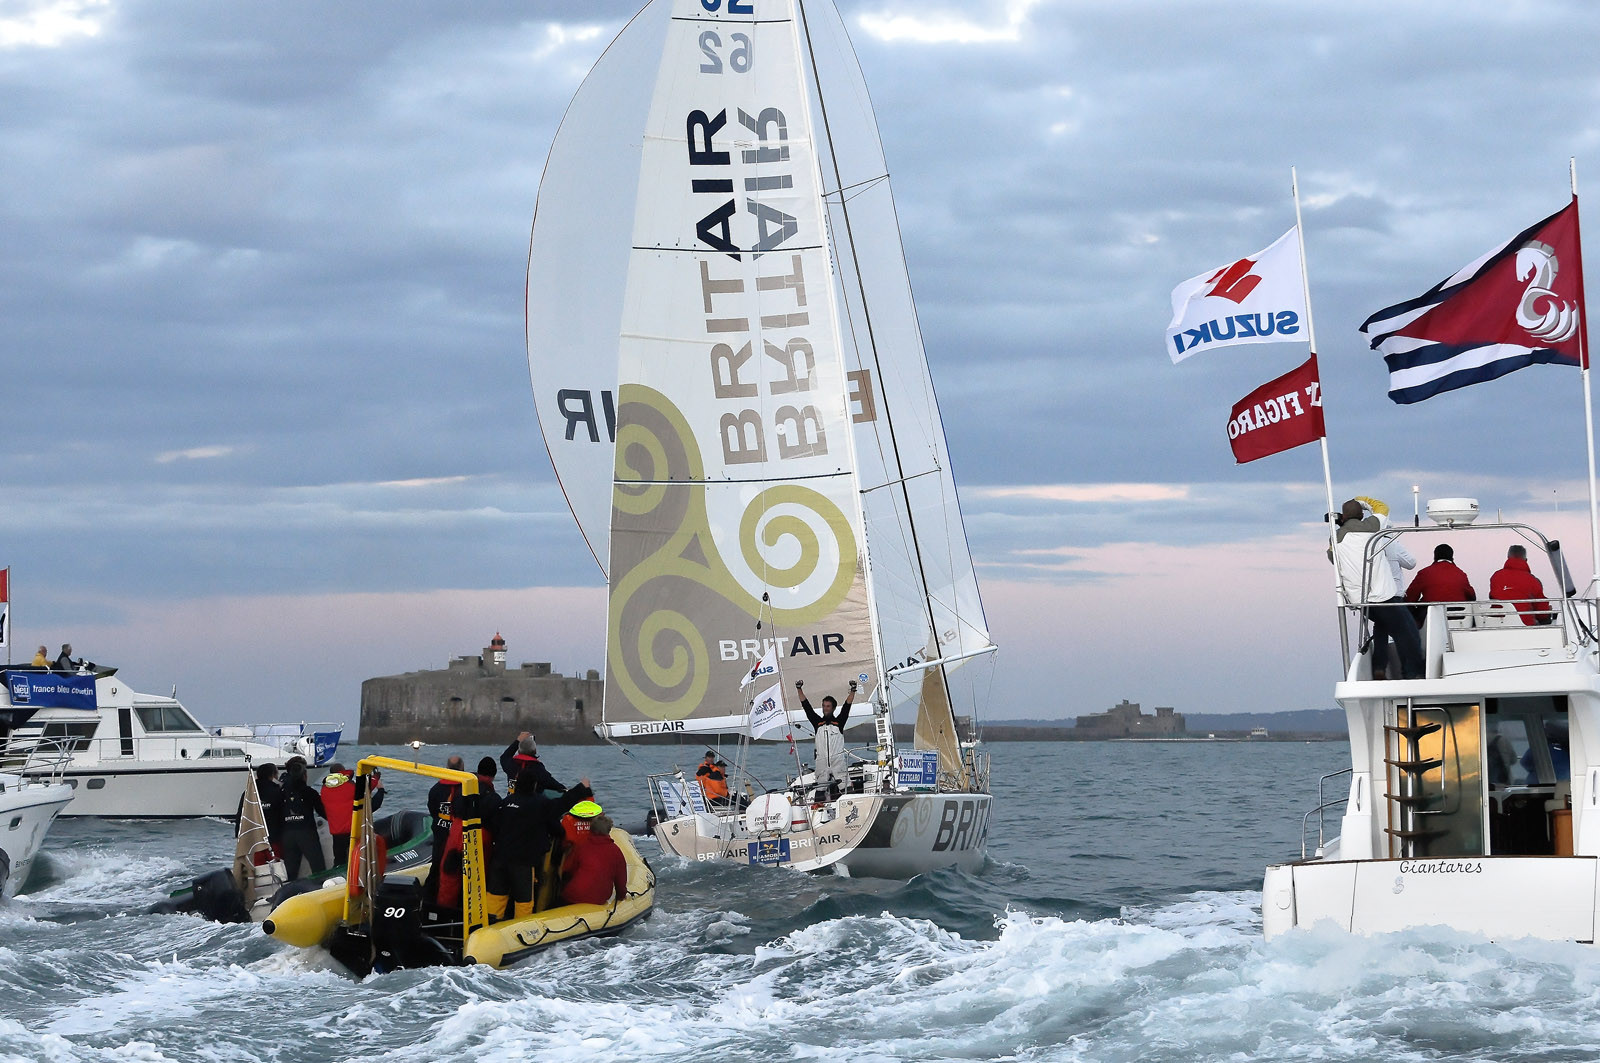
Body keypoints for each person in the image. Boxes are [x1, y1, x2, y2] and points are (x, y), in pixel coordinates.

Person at [1328, 499, 1422, 680]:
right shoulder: (1373, 527)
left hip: (1361, 601)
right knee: (1408, 635)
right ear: (1362, 515)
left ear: (1344, 517)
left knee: (1382, 629)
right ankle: (1413, 675)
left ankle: (1379, 667)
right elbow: (1382, 507)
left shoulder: (1336, 537)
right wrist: (1360, 500)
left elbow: (1332, 557)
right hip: (1384, 596)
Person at [486, 767, 593, 920]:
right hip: (522, 863)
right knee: (524, 901)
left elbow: (494, 825)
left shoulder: (505, 802)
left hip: (499, 859)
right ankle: (521, 931)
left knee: (495, 896)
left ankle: (489, 927)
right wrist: (582, 788)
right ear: (534, 785)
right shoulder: (539, 804)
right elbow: (562, 803)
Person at [797, 677, 856, 798]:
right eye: (824, 706)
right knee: (820, 792)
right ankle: (818, 810)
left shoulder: (839, 722)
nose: (825, 709)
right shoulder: (817, 723)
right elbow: (806, 706)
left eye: (828, 706)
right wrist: (799, 689)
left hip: (837, 762)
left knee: (847, 789)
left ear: (833, 708)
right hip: (821, 762)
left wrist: (853, 690)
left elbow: (847, 707)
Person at [560, 809, 628, 907]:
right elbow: (621, 881)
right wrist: (621, 896)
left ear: (591, 829)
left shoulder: (581, 846)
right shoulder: (616, 851)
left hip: (572, 895)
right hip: (596, 898)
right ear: (608, 830)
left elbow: (570, 869)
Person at [320, 763, 384, 865]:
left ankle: (337, 878)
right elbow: (368, 785)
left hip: (337, 833)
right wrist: (376, 779)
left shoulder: (324, 790)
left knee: (339, 860)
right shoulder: (351, 787)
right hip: (353, 831)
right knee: (358, 859)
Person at [423, 755, 467, 903]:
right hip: (458, 839)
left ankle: (428, 901)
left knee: (436, 867)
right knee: (458, 872)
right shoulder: (466, 788)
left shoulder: (435, 789)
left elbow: (433, 811)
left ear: (447, 768)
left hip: (441, 834)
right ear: (462, 767)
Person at [279, 758, 328, 881]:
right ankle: (320, 892)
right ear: (304, 775)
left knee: (290, 872)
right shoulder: (310, 792)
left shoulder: (281, 792)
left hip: (287, 834)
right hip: (307, 833)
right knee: (318, 869)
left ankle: (290, 895)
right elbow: (323, 812)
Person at [1490, 545, 1554, 625]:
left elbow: (1494, 597)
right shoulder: (1533, 581)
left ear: (1508, 558)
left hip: (1496, 624)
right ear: (1525, 560)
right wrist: (1547, 614)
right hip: (1524, 625)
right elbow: (1542, 612)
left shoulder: (1496, 577)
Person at [236, 761, 286, 858]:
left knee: (259, 865)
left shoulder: (249, 792)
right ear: (272, 775)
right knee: (277, 863)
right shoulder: (277, 791)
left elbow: (241, 814)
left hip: (254, 838)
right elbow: (283, 813)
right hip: (274, 836)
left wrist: (238, 833)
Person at [1405, 543, 1476, 607]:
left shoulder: (1424, 573)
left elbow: (1410, 597)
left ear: (1435, 556)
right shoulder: (1461, 574)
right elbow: (1472, 597)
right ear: (1452, 557)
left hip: (1431, 616)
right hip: (1459, 616)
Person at [499, 732, 567, 797]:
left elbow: (505, 756)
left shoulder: (511, 764)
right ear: (535, 751)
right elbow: (552, 783)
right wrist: (567, 791)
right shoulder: (537, 768)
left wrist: (518, 740)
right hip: (530, 804)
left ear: (519, 751)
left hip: (511, 801)